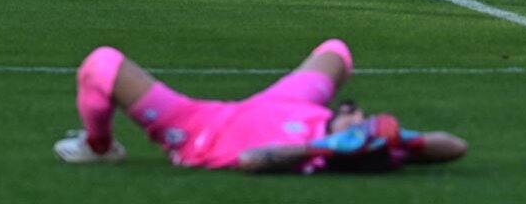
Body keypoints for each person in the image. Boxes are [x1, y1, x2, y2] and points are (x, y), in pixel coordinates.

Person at [54, 39, 467, 174]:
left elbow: (252, 160)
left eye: (358, 117)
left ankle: (100, 145)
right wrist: (407, 139)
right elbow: (454, 145)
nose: (360, 113)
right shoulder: (374, 142)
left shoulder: (321, 155)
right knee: (336, 50)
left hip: (202, 128)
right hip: (289, 103)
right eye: (360, 115)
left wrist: (331, 148)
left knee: (101, 64)